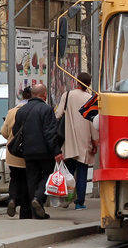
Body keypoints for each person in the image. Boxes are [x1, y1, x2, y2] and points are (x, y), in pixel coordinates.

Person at [12, 83, 62, 220]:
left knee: (31, 180)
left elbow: (15, 131)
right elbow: (49, 133)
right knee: (47, 174)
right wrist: (56, 151)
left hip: (27, 151)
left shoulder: (22, 110)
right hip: (45, 151)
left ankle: (34, 213)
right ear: (44, 94)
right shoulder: (46, 110)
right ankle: (38, 198)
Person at [55, 72, 99, 210]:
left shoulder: (67, 95)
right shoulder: (91, 99)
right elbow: (93, 122)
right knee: (82, 173)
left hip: (69, 141)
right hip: (84, 141)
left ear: (77, 82)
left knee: (68, 172)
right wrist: (95, 142)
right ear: (89, 84)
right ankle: (79, 202)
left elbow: (58, 114)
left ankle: (67, 198)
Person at [0, 86, 34, 218]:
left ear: (22, 96)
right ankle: (25, 212)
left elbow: (4, 132)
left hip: (12, 152)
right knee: (26, 181)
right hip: (27, 152)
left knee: (14, 178)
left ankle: (13, 199)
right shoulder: (32, 110)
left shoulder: (12, 111)